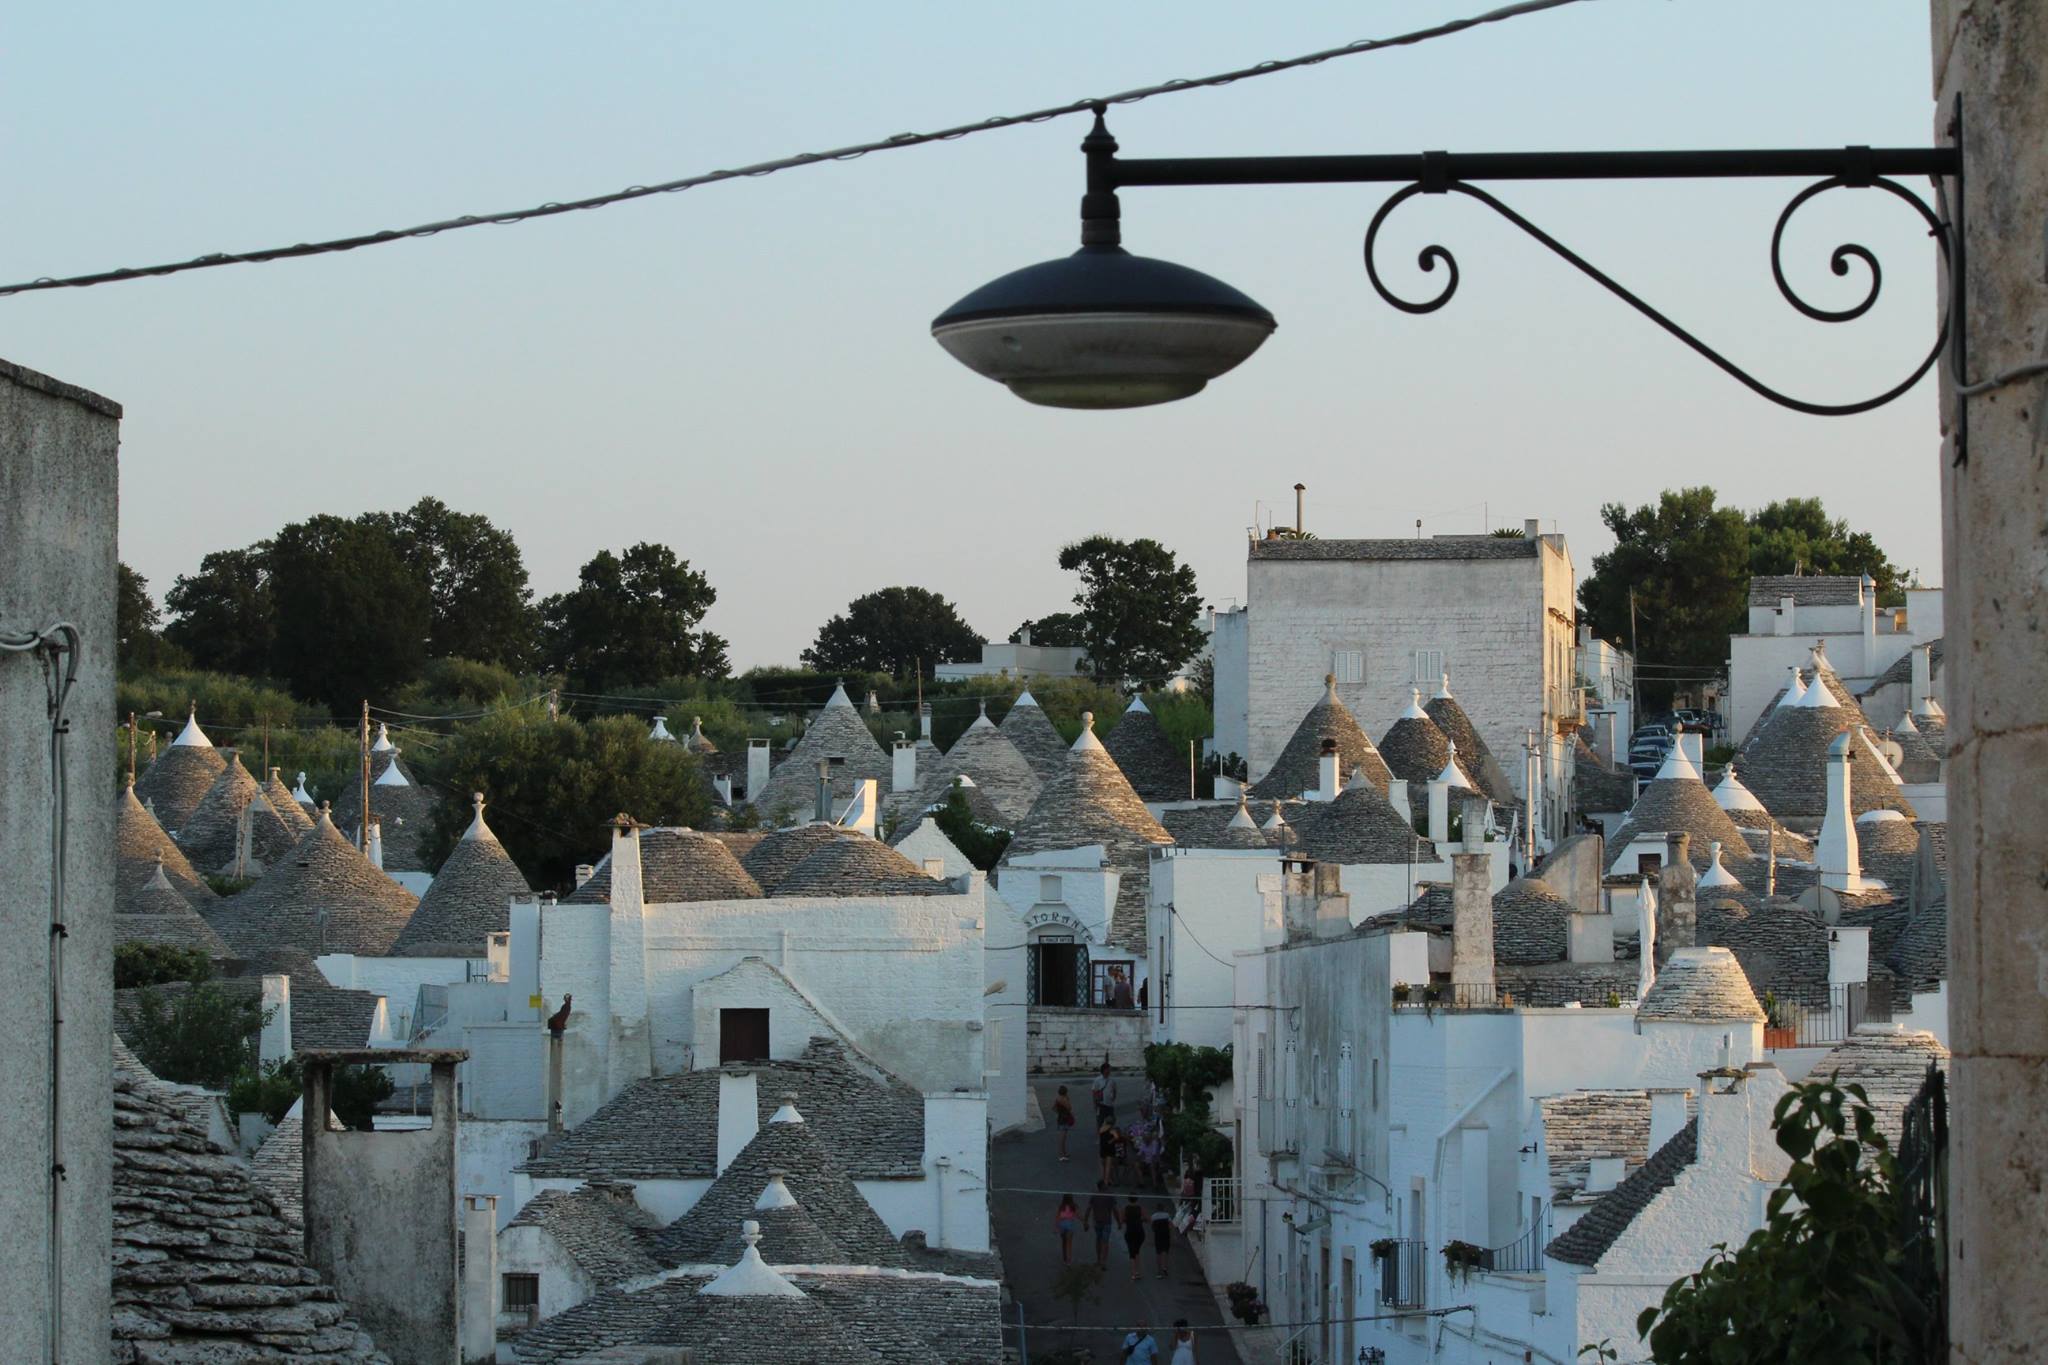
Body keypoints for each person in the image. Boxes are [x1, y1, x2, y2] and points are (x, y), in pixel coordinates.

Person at [1084, 1181, 1117, 1267]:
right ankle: (1103, 1262)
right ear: (1103, 1186)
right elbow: (1115, 1209)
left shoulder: (1094, 1195)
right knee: (1105, 1241)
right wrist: (1119, 1221)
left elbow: (1088, 1208)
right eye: (1105, 1185)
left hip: (1097, 1221)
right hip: (1106, 1221)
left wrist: (1085, 1221)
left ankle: (1099, 1260)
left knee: (1098, 1240)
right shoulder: (1110, 1196)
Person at [1120, 1194, 1148, 1282]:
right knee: (1137, 1251)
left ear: (1129, 1199)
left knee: (1131, 1253)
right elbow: (1146, 1218)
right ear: (1137, 1199)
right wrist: (1140, 1220)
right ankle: (1137, 1272)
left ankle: (1133, 1273)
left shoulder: (1125, 1209)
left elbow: (1122, 1220)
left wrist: (1128, 1220)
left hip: (1130, 1232)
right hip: (1140, 1232)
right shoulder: (1140, 1208)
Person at [1150, 1197, 1174, 1278]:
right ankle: (1165, 1267)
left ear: (1156, 1209)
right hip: (1166, 1235)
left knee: (1158, 1253)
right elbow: (1170, 1225)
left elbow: (1152, 1227)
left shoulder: (1153, 1216)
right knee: (1165, 1252)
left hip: (1158, 1235)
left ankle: (1159, 1271)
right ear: (1163, 1208)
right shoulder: (1167, 1215)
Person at [1054, 1192, 1080, 1265]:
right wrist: (1084, 1221)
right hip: (1069, 1224)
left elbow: (1057, 1216)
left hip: (1062, 1224)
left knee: (1064, 1242)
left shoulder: (1061, 1206)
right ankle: (1069, 1260)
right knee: (1069, 1243)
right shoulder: (1073, 1206)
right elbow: (1078, 1215)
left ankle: (1065, 1258)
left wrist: (1056, 1227)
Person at [1052, 1085, 1075, 1162]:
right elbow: (1069, 1107)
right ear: (1065, 1092)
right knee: (1063, 1137)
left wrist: (1059, 1112)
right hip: (1064, 1119)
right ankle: (1061, 1155)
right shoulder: (1063, 1099)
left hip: (1060, 1118)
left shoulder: (1057, 1098)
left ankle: (1064, 1153)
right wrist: (1067, 1099)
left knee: (1063, 1137)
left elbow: (1053, 1108)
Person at [1097, 1114, 1119, 1186]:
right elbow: (1116, 1137)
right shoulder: (1112, 1129)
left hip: (1103, 1147)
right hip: (1110, 1148)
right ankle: (1106, 1182)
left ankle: (1105, 1179)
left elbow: (1099, 1134)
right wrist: (1111, 1140)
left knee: (1103, 1164)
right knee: (1108, 1166)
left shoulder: (1102, 1128)